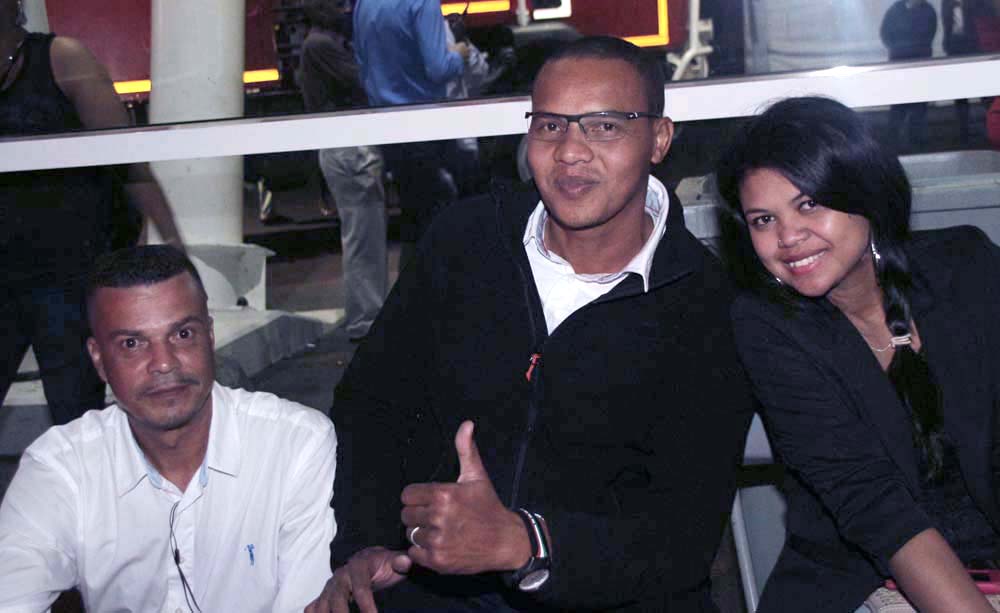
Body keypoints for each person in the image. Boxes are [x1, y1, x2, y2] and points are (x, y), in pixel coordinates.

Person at [307, 36, 754, 613]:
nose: (570, 152)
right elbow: (374, 402)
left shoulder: (704, 303)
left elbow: (683, 533)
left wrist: (523, 543)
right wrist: (364, 542)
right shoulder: (466, 241)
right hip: (433, 585)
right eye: (550, 126)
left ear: (659, 139)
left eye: (604, 127)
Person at [716, 96, 1000, 613]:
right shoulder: (768, 327)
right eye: (763, 219)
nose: (788, 237)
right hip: (878, 582)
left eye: (808, 205)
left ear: (866, 194)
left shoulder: (965, 266)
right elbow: (874, 506)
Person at [0, 245, 336, 612]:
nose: (163, 363)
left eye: (183, 334)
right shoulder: (61, 467)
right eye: (132, 343)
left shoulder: (295, 445)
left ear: (210, 336)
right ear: (98, 360)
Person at [0, 0, 182, 425]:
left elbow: (127, 161)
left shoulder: (60, 59)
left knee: (75, 412)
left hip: (66, 275)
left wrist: (171, 242)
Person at [352, 0, 470, 266]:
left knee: (414, 216)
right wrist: (458, 54)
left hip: (387, 126)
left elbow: (362, 67)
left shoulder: (364, 4)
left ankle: (411, 286)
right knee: (440, 216)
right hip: (425, 124)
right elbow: (438, 68)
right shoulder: (422, 3)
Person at [299, 0, 388, 341]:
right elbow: (363, 81)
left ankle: (368, 317)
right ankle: (366, 320)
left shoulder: (318, 43)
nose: (346, 9)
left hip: (343, 148)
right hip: (348, 149)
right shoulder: (321, 45)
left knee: (364, 238)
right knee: (364, 240)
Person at [880, 0, 937, 149]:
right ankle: (893, 139)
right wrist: (899, 48)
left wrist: (903, 47)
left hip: (919, 62)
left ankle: (915, 138)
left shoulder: (927, 10)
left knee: (919, 103)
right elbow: (885, 33)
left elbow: (929, 33)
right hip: (901, 62)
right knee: (899, 103)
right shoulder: (896, 9)